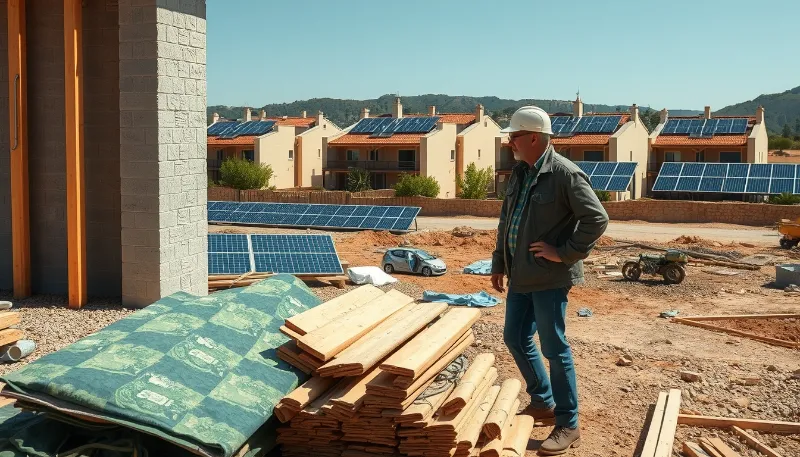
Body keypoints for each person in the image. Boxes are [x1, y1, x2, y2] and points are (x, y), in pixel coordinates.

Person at [491, 106, 609, 455]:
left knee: (554, 348)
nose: (509, 141)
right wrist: (499, 261)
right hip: (520, 276)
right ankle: (542, 400)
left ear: (532, 137)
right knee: (514, 336)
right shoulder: (519, 173)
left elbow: (597, 219)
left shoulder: (565, 175)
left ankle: (568, 423)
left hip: (549, 278)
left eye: (513, 136)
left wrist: (566, 252)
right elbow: (506, 221)